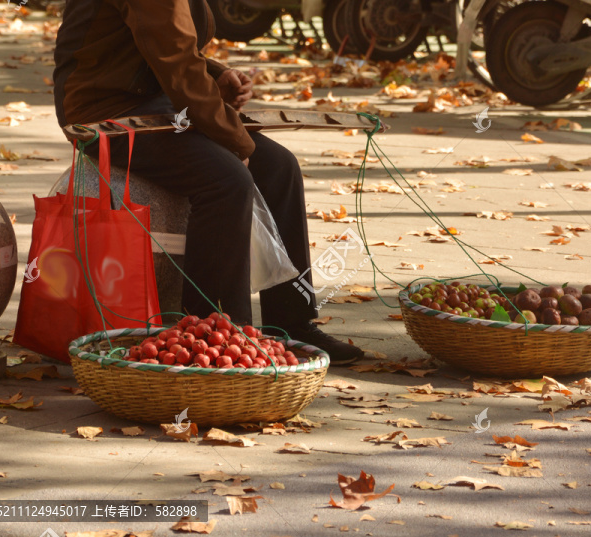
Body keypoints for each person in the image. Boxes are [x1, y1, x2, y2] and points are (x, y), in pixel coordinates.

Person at [52, 0, 363, 365]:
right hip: (103, 112)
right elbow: (174, 58)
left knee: (279, 167)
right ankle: (213, 337)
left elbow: (170, 48)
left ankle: (293, 324)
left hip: (157, 102)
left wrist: (216, 75)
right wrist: (236, 142)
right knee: (227, 180)